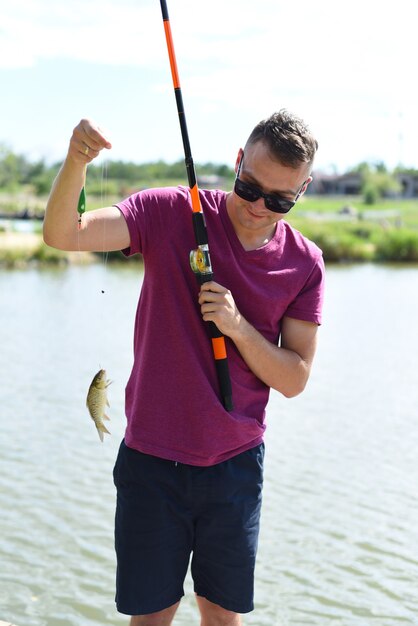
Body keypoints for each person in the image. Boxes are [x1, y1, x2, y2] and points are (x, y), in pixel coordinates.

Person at [43, 109, 325, 626]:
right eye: (250, 188)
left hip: (235, 467)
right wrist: (78, 160)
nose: (260, 208)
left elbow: (295, 379)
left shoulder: (304, 263)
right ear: (237, 162)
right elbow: (65, 233)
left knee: (221, 615)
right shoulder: (171, 211)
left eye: (280, 201)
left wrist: (238, 326)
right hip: (151, 461)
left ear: (302, 190)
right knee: (151, 616)